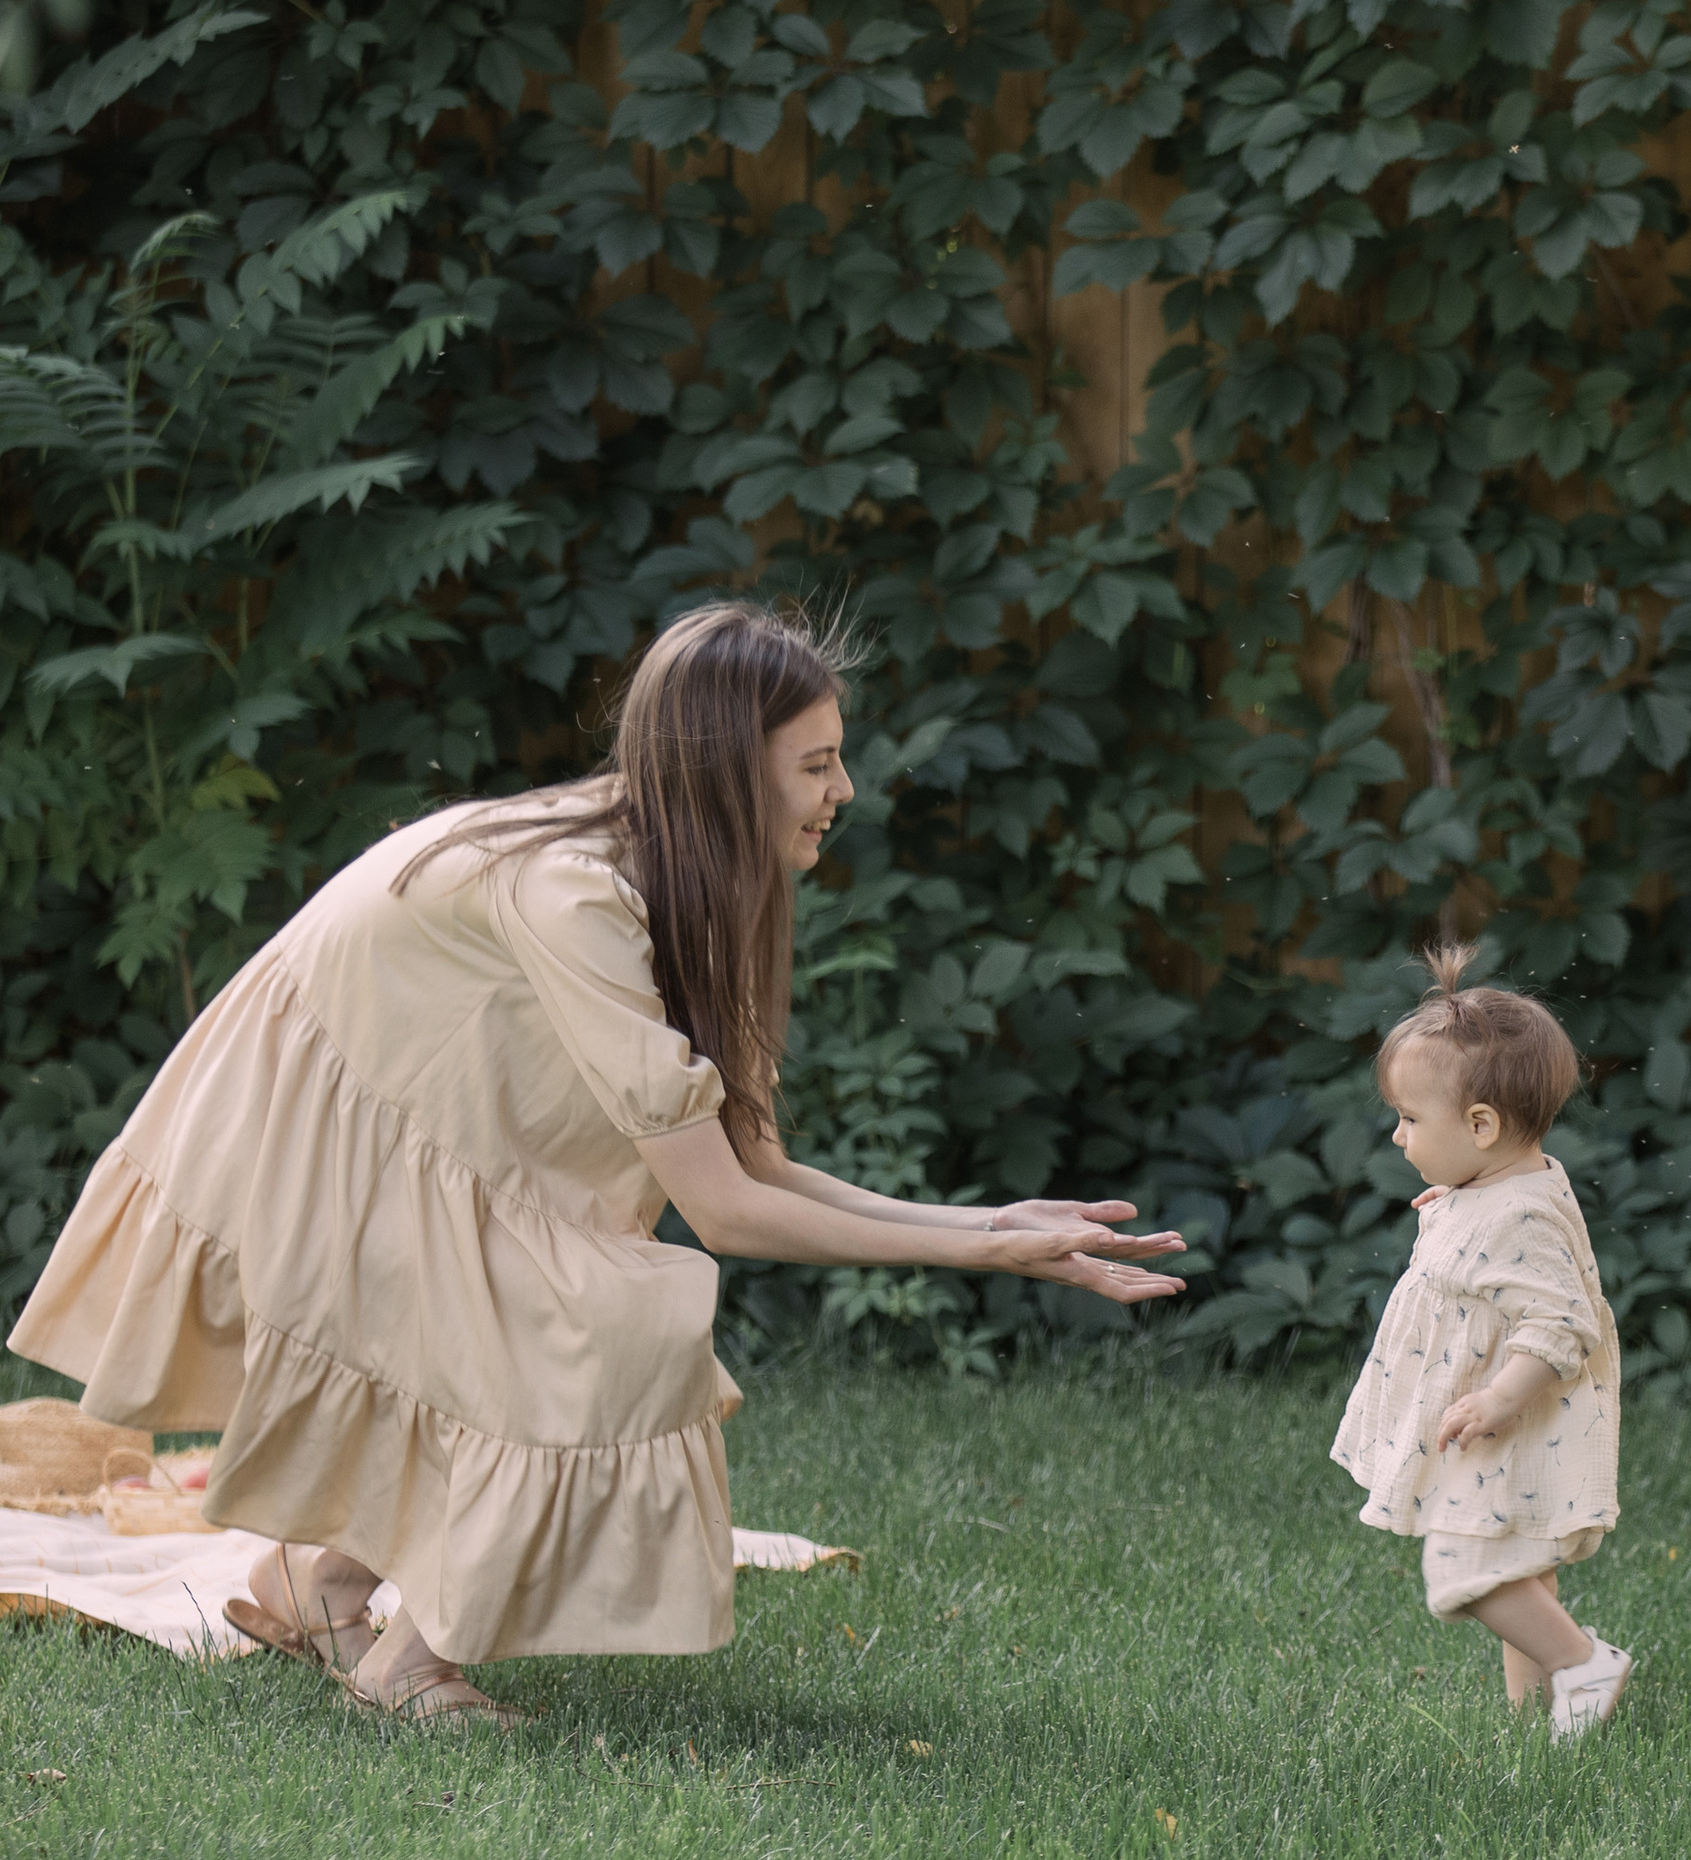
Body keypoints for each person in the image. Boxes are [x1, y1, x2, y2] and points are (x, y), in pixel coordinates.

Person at [6, 601, 1184, 1723]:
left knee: (514, 1333)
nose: (845, 790)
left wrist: (991, 1226)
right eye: (817, 763)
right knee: (600, 1330)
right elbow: (726, 1214)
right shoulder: (577, 892)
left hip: (433, 1121)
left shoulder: (681, 876)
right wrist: (988, 1254)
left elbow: (753, 1164)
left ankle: (316, 1590)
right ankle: (411, 1666)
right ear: (730, 770)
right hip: (323, 1115)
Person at [1330, 946, 1630, 1741]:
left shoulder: (1516, 1215)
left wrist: (1499, 1398)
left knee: (1463, 1564)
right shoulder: (1498, 1187)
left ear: (1481, 1126)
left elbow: (1561, 1321)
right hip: (1502, 1420)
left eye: (1409, 1118)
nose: (1398, 1136)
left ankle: (1583, 1666)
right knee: (1519, 1562)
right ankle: (1538, 1718)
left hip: (1509, 1419)